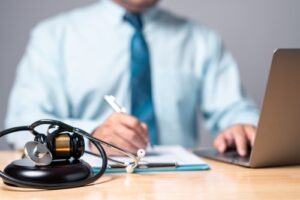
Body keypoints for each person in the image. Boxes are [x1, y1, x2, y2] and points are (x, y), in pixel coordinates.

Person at [5, 0, 259, 156]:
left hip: (181, 188)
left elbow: (236, 111)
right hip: (85, 186)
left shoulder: (203, 40)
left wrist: (244, 127)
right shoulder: (53, 37)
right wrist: (92, 137)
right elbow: (22, 124)